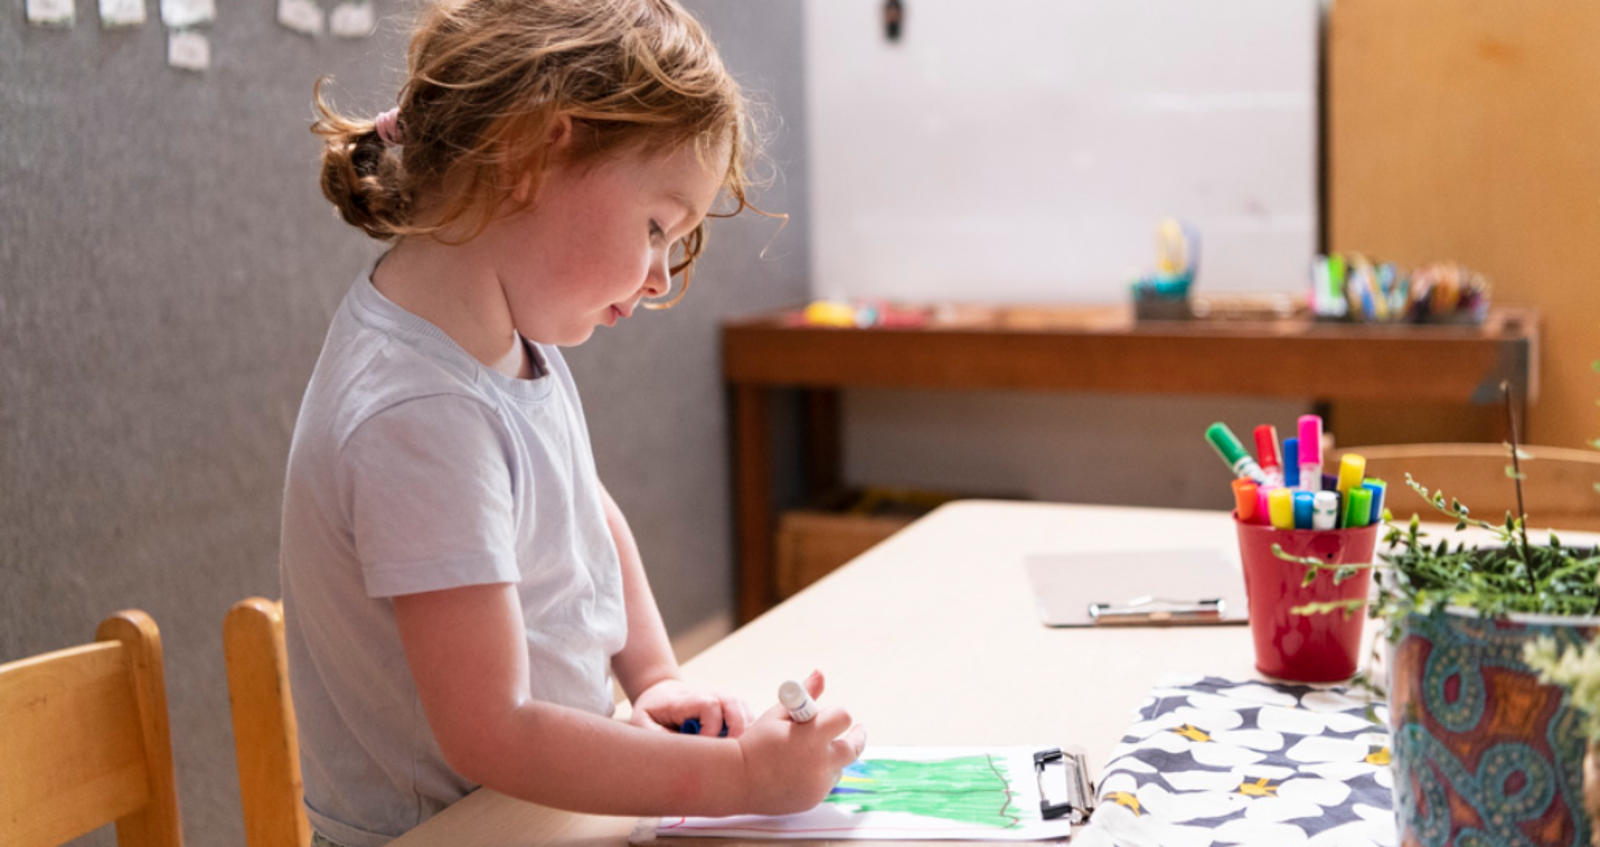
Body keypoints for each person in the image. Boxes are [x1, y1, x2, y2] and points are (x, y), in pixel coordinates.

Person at [279, 0, 866, 843]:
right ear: (528, 153)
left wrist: (654, 676)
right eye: (657, 226)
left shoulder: (501, 340)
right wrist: (742, 775)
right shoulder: (419, 412)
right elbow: (494, 732)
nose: (661, 277)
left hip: (531, 815)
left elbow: (585, 511)